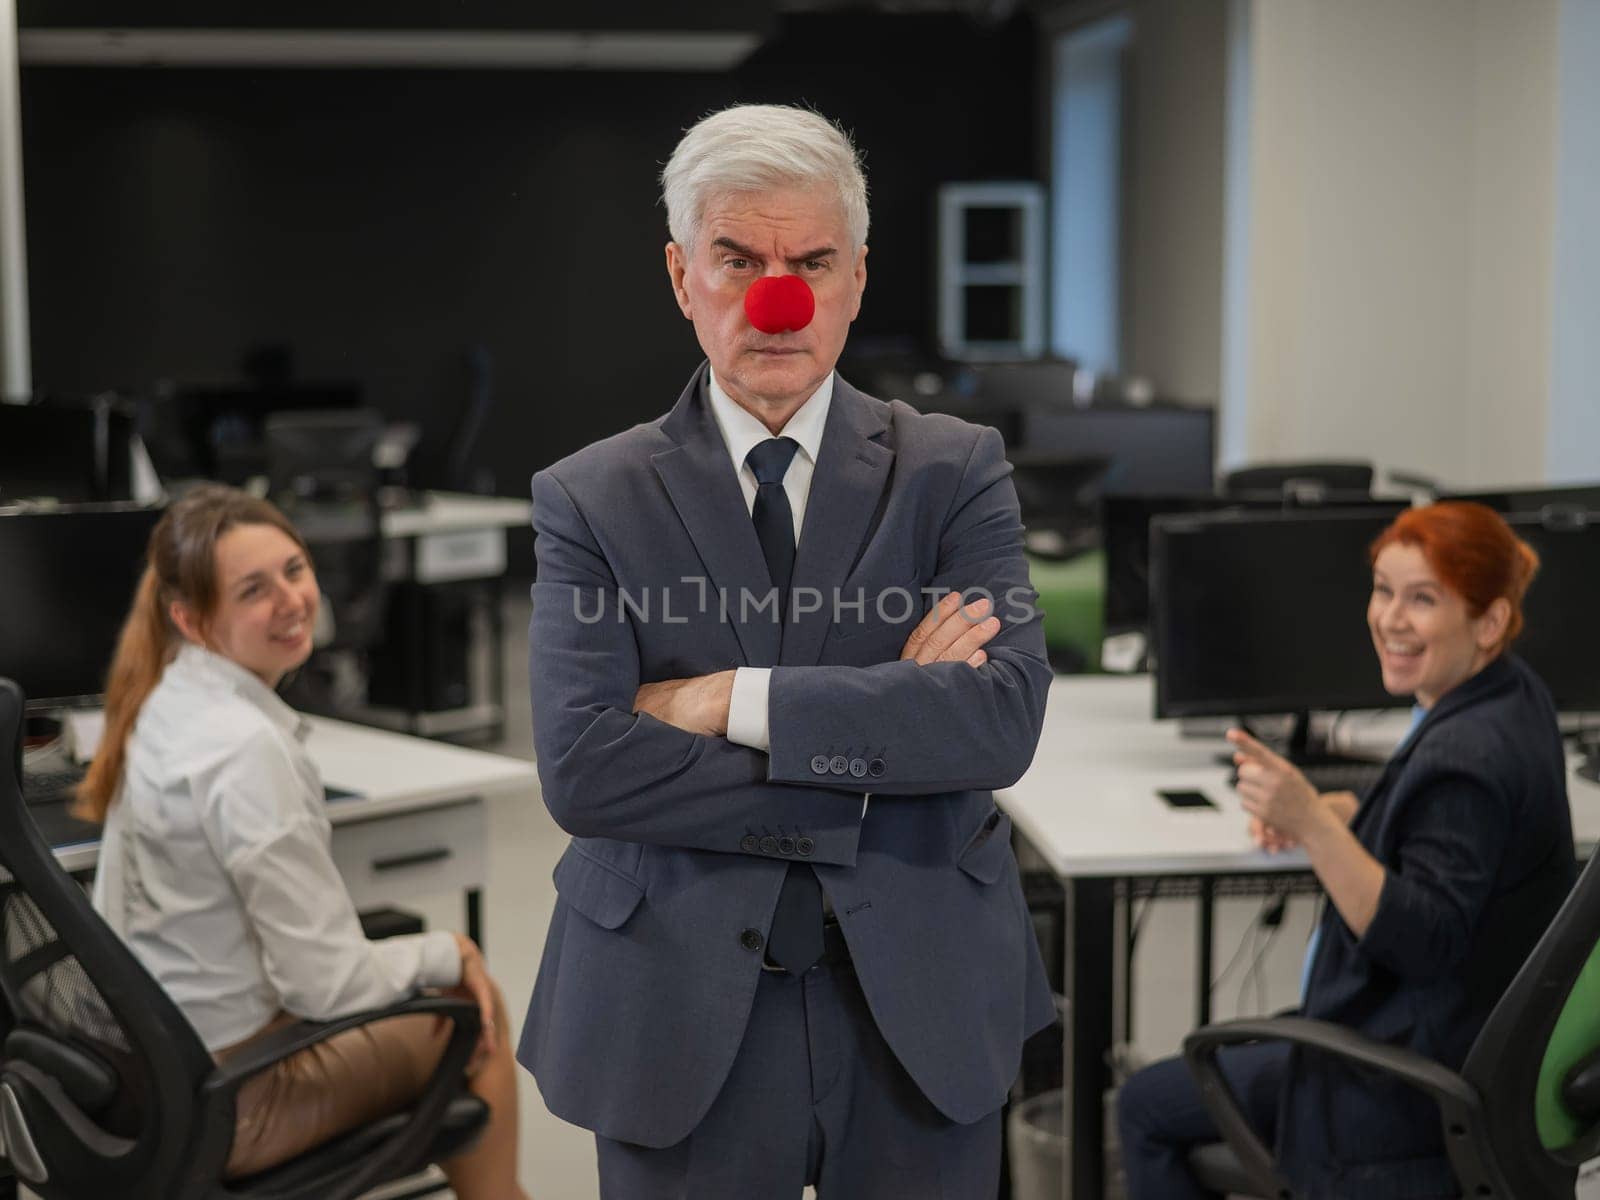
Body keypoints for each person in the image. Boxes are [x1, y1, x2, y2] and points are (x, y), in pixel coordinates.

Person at [519, 103, 1056, 1199]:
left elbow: (998, 721)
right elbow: (583, 767)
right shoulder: (588, 494)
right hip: (672, 1002)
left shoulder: (953, 470)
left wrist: (724, 698)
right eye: (739, 260)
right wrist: (888, 738)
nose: (780, 299)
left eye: (813, 260)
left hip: (917, 990)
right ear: (681, 276)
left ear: (857, 277)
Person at [79, 484, 529, 1198]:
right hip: (233, 1099)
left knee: (427, 976)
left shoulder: (167, 701)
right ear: (192, 621)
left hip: (154, 1073)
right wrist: (452, 949)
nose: (291, 599)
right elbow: (322, 984)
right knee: (477, 1009)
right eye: (254, 589)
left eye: (295, 569)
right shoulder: (246, 752)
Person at [1118, 501, 1577, 1198]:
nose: (1390, 618)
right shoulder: (1511, 697)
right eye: (1384, 590)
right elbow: (1439, 836)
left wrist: (1313, 824)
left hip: (1393, 1082)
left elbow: (1419, 938)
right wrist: (1348, 812)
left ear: (1488, 621)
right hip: (1458, 1048)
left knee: (1146, 1105)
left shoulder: (1467, 755)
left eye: (1422, 600)